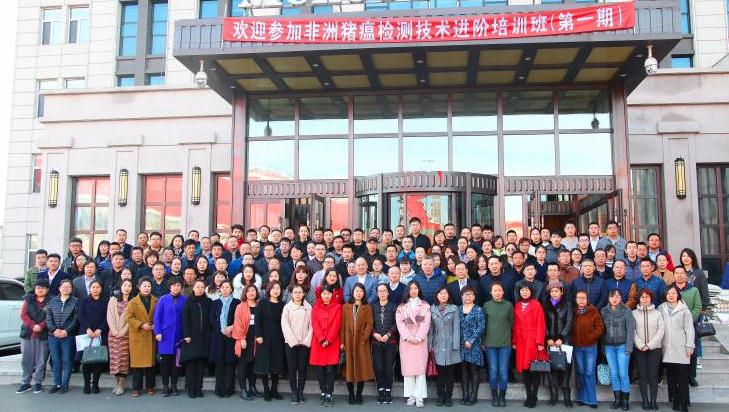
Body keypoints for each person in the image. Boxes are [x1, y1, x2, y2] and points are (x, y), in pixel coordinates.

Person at [658, 285, 695, 412]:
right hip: (667, 348)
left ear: (678, 295)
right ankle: (675, 401)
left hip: (681, 348)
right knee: (671, 378)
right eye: (669, 293)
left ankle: (683, 404)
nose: (671, 295)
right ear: (665, 295)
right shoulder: (661, 308)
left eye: (673, 293)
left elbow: (689, 329)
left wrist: (690, 345)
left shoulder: (684, 309)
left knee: (682, 378)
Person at [396, 281, 432, 408]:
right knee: (408, 371)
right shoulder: (401, 307)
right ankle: (410, 395)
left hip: (420, 341)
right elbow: (400, 324)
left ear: (419, 290)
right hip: (407, 342)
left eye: (415, 288)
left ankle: (419, 396)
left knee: (420, 371)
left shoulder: (425, 305)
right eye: (411, 288)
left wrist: (418, 337)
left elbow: (426, 323)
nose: (413, 290)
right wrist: (409, 337)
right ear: (407, 291)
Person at [512, 283, 546, 409]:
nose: (524, 292)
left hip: (532, 340)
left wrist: (540, 342)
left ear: (531, 292)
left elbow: (541, 324)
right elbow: (515, 325)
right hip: (521, 340)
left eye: (527, 290)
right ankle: (528, 395)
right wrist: (514, 341)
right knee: (525, 369)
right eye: (522, 290)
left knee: (534, 368)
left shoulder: (536, 304)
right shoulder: (517, 305)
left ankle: (534, 395)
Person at [601, 289, 635, 411]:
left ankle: (625, 401)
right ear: (608, 298)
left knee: (623, 373)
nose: (614, 299)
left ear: (621, 298)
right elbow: (602, 330)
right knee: (614, 373)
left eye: (617, 296)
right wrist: (603, 346)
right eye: (612, 297)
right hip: (609, 347)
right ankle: (617, 400)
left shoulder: (627, 310)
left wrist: (629, 347)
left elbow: (630, 329)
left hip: (622, 346)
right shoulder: (604, 311)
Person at [341, 283, 375, 405]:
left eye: (361, 291)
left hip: (361, 342)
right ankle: (351, 394)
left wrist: (364, 337)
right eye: (356, 291)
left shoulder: (367, 307)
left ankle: (359, 394)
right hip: (348, 341)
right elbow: (343, 326)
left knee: (361, 368)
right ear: (352, 293)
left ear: (364, 293)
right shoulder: (346, 307)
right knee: (349, 369)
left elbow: (370, 324)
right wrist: (342, 342)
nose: (358, 293)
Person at [427, 287, 460, 407]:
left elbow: (456, 328)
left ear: (448, 295)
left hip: (451, 344)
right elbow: (431, 329)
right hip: (437, 344)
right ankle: (440, 396)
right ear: (437, 295)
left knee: (450, 373)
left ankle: (448, 396)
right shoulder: (432, 309)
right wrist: (429, 344)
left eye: (445, 293)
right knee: (440, 373)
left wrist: (455, 344)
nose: (443, 295)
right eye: (440, 293)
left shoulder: (454, 308)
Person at [571, 290, 605, 409]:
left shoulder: (593, 311)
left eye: (583, 298)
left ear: (587, 299)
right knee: (580, 372)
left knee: (589, 372)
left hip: (590, 347)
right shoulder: (573, 311)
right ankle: (581, 397)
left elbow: (600, 327)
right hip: (577, 347)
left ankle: (591, 399)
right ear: (576, 299)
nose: (581, 300)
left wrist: (591, 337)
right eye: (579, 298)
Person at [310, 284, 343, 407]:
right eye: (324, 294)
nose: (326, 296)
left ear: (332, 294)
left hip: (332, 342)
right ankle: (323, 392)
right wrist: (321, 338)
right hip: (319, 342)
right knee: (320, 370)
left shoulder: (338, 307)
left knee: (330, 370)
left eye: (328, 293)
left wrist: (328, 339)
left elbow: (337, 324)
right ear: (320, 295)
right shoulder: (316, 307)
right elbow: (314, 323)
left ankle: (329, 393)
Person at [543, 280, 574, 408]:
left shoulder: (567, 304)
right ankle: (553, 396)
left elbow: (569, 322)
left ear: (561, 292)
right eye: (552, 291)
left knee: (566, 368)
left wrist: (562, 337)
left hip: (564, 341)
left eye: (557, 291)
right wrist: (548, 337)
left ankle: (567, 397)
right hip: (551, 342)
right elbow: (543, 322)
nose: (554, 293)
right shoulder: (545, 305)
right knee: (552, 369)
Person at [153, 278, 186, 397]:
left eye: (178, 285)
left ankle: (174, 385)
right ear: (170, 287)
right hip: (165, 335)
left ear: (181, 287)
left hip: (179, 335)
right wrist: (157, 332)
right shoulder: (163, 299)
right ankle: (165, 385)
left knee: (176, 363)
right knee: (165, 362)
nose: (176, 287)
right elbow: (157, 317)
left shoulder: (185, 300)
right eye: (174, 285)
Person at [254, 281, 286, 401]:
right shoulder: (262, 303)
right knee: (264, 364)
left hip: (278, 338)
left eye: (278, 288)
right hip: (264, 338)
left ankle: (274, 389)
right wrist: (258, 335)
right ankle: (266, 389)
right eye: (273, 288)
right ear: (269, 290)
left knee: (276, 365)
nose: (276, 290)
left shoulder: (283, 305)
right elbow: (257, 320)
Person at [633, 289, 665, 411]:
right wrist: (640, 345)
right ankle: (645, 400)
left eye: (647, 297)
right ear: (639, 299)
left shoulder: (657, 313)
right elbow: (632, 331)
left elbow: (661, 330)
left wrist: (650, 345)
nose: (645, 299)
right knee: (642, 375)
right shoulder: (633, 313)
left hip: (655, 349)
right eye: (642, 297)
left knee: (653, 375)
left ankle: (653, 401)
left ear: (651, 298)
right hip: (639, 349)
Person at [281, 284, 313, 404]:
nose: (298, 294)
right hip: (291, 343)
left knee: (302, 369)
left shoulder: (308, 307)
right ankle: (294, 392)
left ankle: (300, 392)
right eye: (295, 292)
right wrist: (293, 341)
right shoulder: (287, 307)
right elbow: (285, 325)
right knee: (292, 369)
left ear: (303, 294)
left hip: (304, 343)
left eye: (300, 292)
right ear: (291, 294)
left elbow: (312, 326)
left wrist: (306, 341)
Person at [483, 282, 513, 407]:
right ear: (491, 292)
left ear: (503, 292)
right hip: (490, 343)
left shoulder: (509, 305)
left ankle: (502, 396)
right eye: (494, 290)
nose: (497, 292)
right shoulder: (486, 305)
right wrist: (483, 341)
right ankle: (494, 395)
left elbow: (511, 323)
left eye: (499, 290)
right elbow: (484, 324)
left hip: (505, 343)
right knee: (493, 370)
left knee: (503, 370)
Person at [127, 277, 158, 397]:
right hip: (138, 335)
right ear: (139, 287)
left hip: (151, 334)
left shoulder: (156, 301)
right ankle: (136, 388)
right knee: (137, 365)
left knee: (150, 365)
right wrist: (140, 325)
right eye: (144, 286)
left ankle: (150, 386)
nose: (147, 288)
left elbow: (159, 315)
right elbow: (129, 318)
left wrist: (156, 325)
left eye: (149, 286)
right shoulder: (133, 302)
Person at [18, 279, 50, 394]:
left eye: (42, 288)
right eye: (37, 288)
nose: (40, 290)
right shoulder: (29, 299)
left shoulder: (51, 301)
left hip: (43, 334)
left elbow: (50, 316)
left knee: (41, 360)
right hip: (28, 333)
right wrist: (33, 325)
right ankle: (25, 383)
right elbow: (23, 315)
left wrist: (41, 326)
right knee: (26, 359)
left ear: (47, 289)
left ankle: (38, 383)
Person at [180, 280, 212, 399]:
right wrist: (186, 335)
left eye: (202, 287)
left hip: (204, 337)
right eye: (198, 287)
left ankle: (199, 388)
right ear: (193, 288)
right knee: (191, 364)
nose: (200, 289)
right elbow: (185, 319)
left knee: (200, 364)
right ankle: (191, 388)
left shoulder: (208, 302)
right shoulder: (189, 301)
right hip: (191, 338)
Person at [77, 280, 109, 394]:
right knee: (86, 360)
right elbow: (80, 316)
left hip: (100, 333)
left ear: (101, 289)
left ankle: (95, 384)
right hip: (86, 333)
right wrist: (87, 328)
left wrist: (101, 329)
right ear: (89, 289)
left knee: (98, 360)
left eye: (98, 287)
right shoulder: (84, 300)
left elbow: (107, 317)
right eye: (93, 287)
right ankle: (86, 384)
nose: (95, 289)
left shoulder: (105, 301)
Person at [209, 280, 240, 398]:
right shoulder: (215, 303)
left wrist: (231, 327)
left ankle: (229, 390)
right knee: (219, 363)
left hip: (231, 336)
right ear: (220, 289)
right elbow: (212, 318)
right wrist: (222, 329)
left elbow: (239, 318)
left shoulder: (237, 302)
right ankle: (219, 390)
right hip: (218, 336)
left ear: (231, 289)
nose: (225, 289)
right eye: (223, 287)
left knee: (230, 363)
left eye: (227, 287)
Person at [46, 279, 78, 394]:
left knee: (67, 359)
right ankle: (57, 383)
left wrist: (66, 331)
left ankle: (65, 384)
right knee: (55, 360)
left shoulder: (75, 301)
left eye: (69, 287)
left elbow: (75, 319)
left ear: (71, 289)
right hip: (53, 335)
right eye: (64, 287)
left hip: (68, 335)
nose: (66, 289)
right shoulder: (52, 301)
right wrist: (54, 329)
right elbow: (48, 317)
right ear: (59, 288)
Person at [371, 283, 398, 404]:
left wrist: (388, 334)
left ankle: (388, 391)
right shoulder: (373, 307)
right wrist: (374, 334)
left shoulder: (394, 306)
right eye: (380, 291)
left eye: (384, 291)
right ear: (377, 293)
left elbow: (397, 323)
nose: (382, 293)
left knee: (388, 368)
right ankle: (381, 391)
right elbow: (369, 323)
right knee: (379, 367)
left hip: (390, 342)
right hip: (376, 342)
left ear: (388, 292)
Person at [233, 284, 261, 400]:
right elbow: (238, 324)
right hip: (245, 338)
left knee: (253, 364)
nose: (251, 293)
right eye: (249, 291)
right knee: (243, 365)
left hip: (257, 338)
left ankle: (252, 387)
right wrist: (242, 338)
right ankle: (243, 389)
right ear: (245, 293)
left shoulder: (259, 305)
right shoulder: (240, 307)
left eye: (253, 290)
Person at [459, 286, 486, 406]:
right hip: (461, 344)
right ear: (462, 296)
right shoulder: (458, 309)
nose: (468, 296)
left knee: (473, 370)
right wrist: (463, 341)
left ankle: (473, 395)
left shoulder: (479, 310)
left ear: (474, 296)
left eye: (470, 294)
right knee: (463, 370)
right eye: (465, 294)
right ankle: (465, 395)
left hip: (474, 345)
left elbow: (481, 327)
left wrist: (470, 340)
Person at [107, 278, 132, 396]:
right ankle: (116, 383)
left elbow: (131, 319)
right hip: (112, 335)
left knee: (123, 361)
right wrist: (114, 331)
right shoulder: (113, 300)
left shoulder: (132, 301)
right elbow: (109, 316)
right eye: (125, 285)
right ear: (121, 287)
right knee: (114, 361)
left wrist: (122, 331)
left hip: (125, 335)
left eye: (129, 286)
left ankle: (121, 385)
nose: (127, 288)